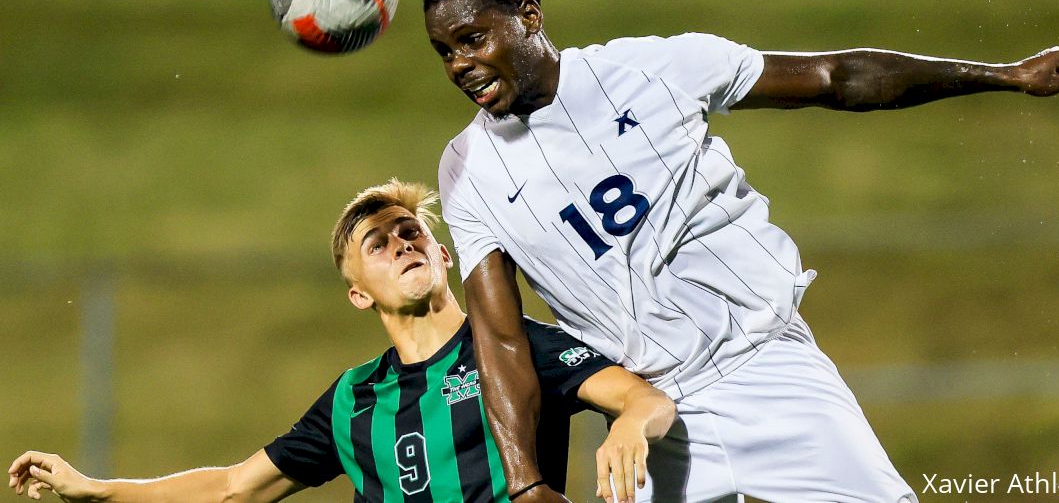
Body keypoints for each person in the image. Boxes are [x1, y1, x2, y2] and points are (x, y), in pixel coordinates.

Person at [424, 0, 1059, 503]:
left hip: (767, 369)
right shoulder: (468, 171)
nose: (459, 65)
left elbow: (836, 77)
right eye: (445, 51)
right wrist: (525, 484)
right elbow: (501, 338)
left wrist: (1006, 74)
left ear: (530, 16)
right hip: (650, 416)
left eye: (472, 39)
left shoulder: (654, 70)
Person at [8, 179, 676, 503]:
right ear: (359, 292)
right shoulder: (354, 400)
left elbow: (643, 397)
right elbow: (234, 487)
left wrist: (629, 426)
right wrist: (96, 489)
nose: (400, 243)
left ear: (443, 255)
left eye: (410, 231)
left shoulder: (509, 345)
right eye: (377, 245)